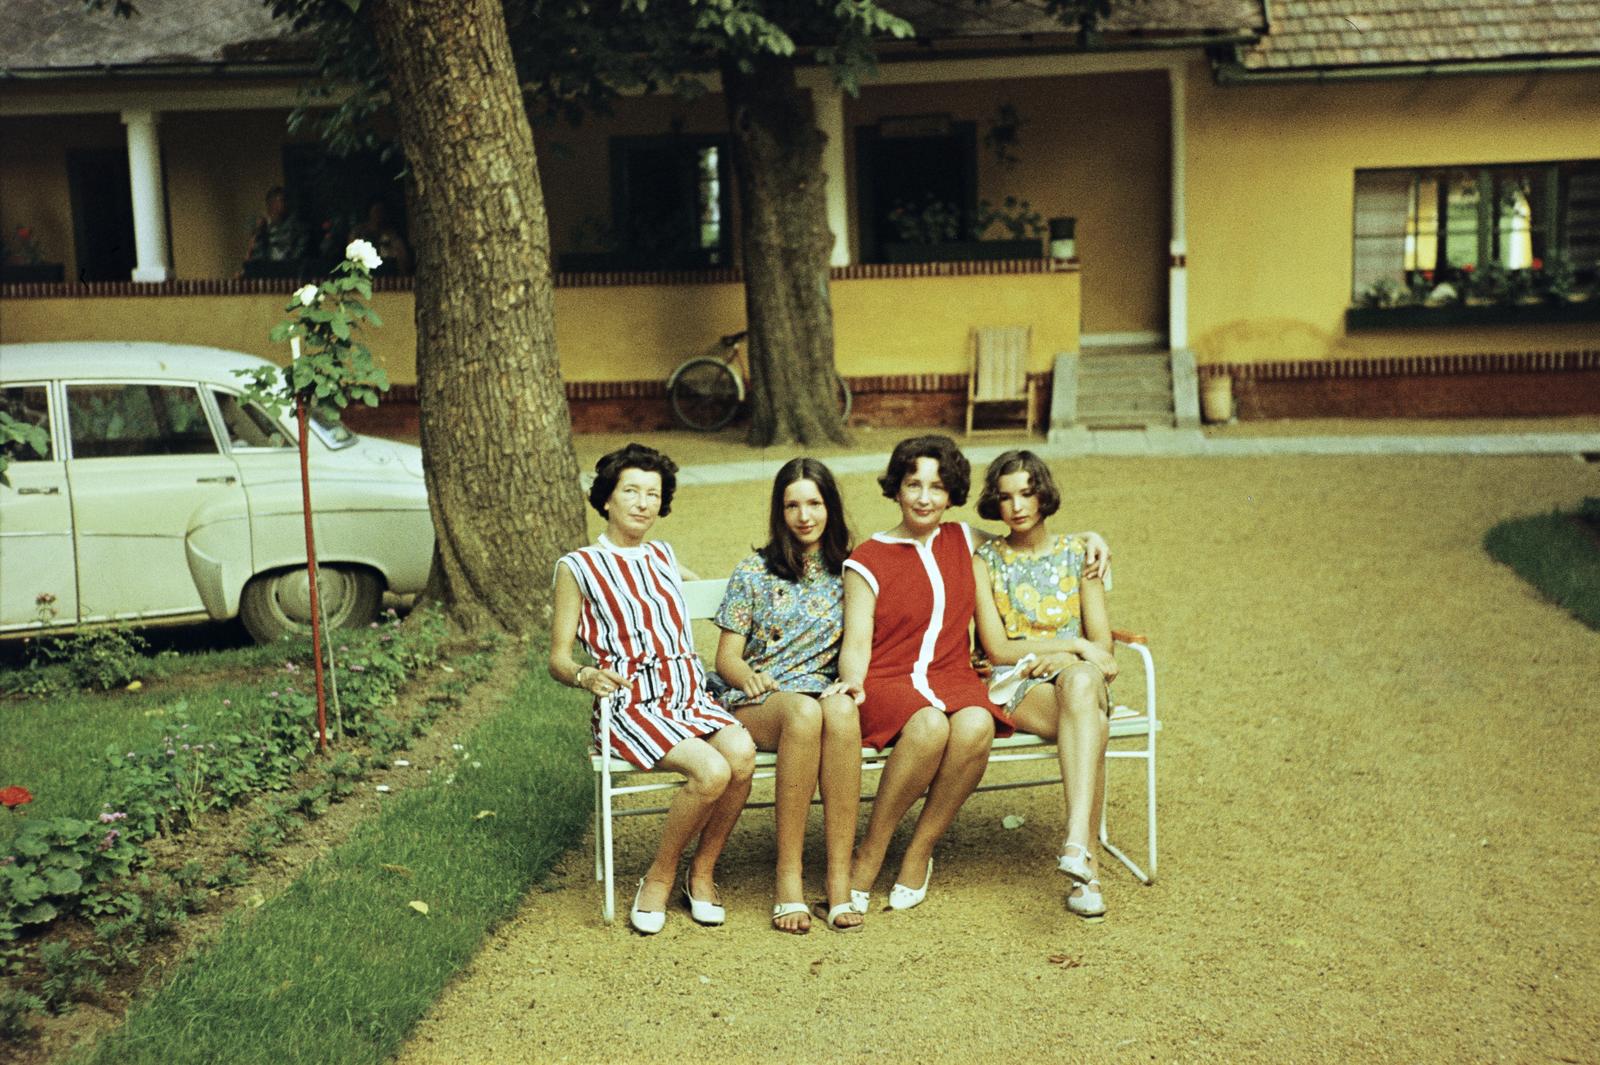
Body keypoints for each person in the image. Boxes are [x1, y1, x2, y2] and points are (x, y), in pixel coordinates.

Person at [835, 435, 1106, 914]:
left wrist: (1089, 538)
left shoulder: (963, 539)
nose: (924, 497)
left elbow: (1026, 539)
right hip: (889, 680)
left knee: (978, 723)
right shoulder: (867, 558)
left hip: (952, 678)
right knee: (929, 726)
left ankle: (919, 851)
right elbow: (857, 641)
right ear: (896, 489)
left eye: (937, 487)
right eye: (913, 484)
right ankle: (871, 853)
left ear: (951, 494)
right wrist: (853, 682)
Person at [549, 443, 756, 935]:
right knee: (710, 770)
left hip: (689, 697)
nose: (642, 503)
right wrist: (584, 675)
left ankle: (701, 872)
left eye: (652, 494)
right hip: (630, 705)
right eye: (631, 492)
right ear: (606, 499)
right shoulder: (576, 567)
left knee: (742, 754)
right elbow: (557, 658)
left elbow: (692, 591)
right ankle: (660, 877)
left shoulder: (663, 555)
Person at [713, 458, 863, 934]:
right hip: (763, 697)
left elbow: (952, 536)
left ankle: (838, 883)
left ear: (830, 507)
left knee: (840, 709)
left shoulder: (853, 570)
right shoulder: (754, 571)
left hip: (822, 692)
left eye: (814, 503)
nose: (805, 516)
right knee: (802, 712)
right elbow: (727, 658)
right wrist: (747, 676)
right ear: (780, 512)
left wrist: (1087, 540)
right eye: (792, 505)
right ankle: (789, 881)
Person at [971, 450, 1116, 917]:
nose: (1017, 506)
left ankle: (1076, 844)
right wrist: (1068, 645)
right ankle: (1084, 862)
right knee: (1090, 720)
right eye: (1006, 496)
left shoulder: (1080, 555)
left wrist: (1067, 655)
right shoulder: (986, 559)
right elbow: (996, 648)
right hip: (1017, 682)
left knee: (1079, 689)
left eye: (1027, 493)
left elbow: (1104, 649)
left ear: (1043, 495)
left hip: (1075, 679)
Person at [244, 186, 309, 265]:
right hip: (266, 273)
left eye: (281, 201)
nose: (276, 205)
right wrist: (258, 233)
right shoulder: (262, 229)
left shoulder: (298, 229)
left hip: (289, 272)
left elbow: (297, 256)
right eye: (272, 202)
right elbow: (254, 257)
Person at [347, 199, 412, 275]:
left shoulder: (391, 234)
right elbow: (351, 254)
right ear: (369, 212)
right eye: (376, 211)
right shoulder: (358, 232)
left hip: (386, 273)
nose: (378, 215)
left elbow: (402, 255)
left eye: (381, 211)